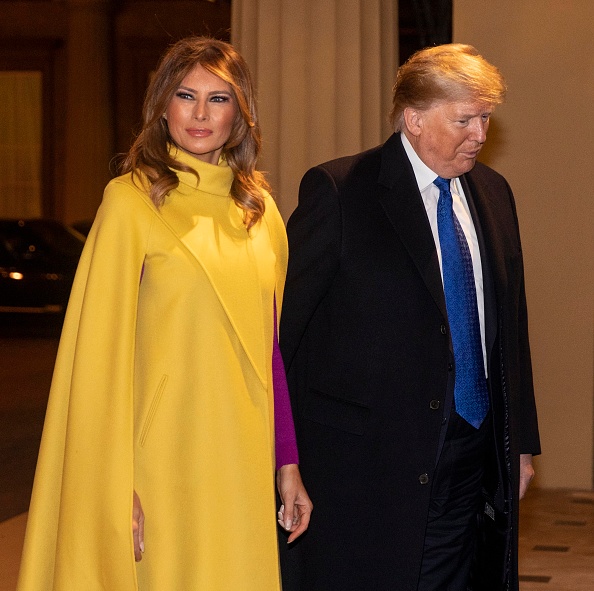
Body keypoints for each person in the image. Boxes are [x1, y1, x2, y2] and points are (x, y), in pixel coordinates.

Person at [17, 36, 312, 591]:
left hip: (241, 459)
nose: (200, 114)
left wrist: (288, 464)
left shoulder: (260, 213)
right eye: (185, 95)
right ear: (162, 107)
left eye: (218, 99)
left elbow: (272, 354)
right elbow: (98, 358)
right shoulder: (130, 201)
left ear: (239, 113)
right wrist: (111, 486)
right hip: (159, 462)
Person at [279, 43, 540, 591]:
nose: (480, 134)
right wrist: (285, 457)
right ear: (414, 118)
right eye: (464, 120)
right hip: (369, 464)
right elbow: (287, 334)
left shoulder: (494, 194)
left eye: (485, 118)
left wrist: (518, 443)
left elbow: (510, 328)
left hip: (473, 450)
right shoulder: (340, 192)